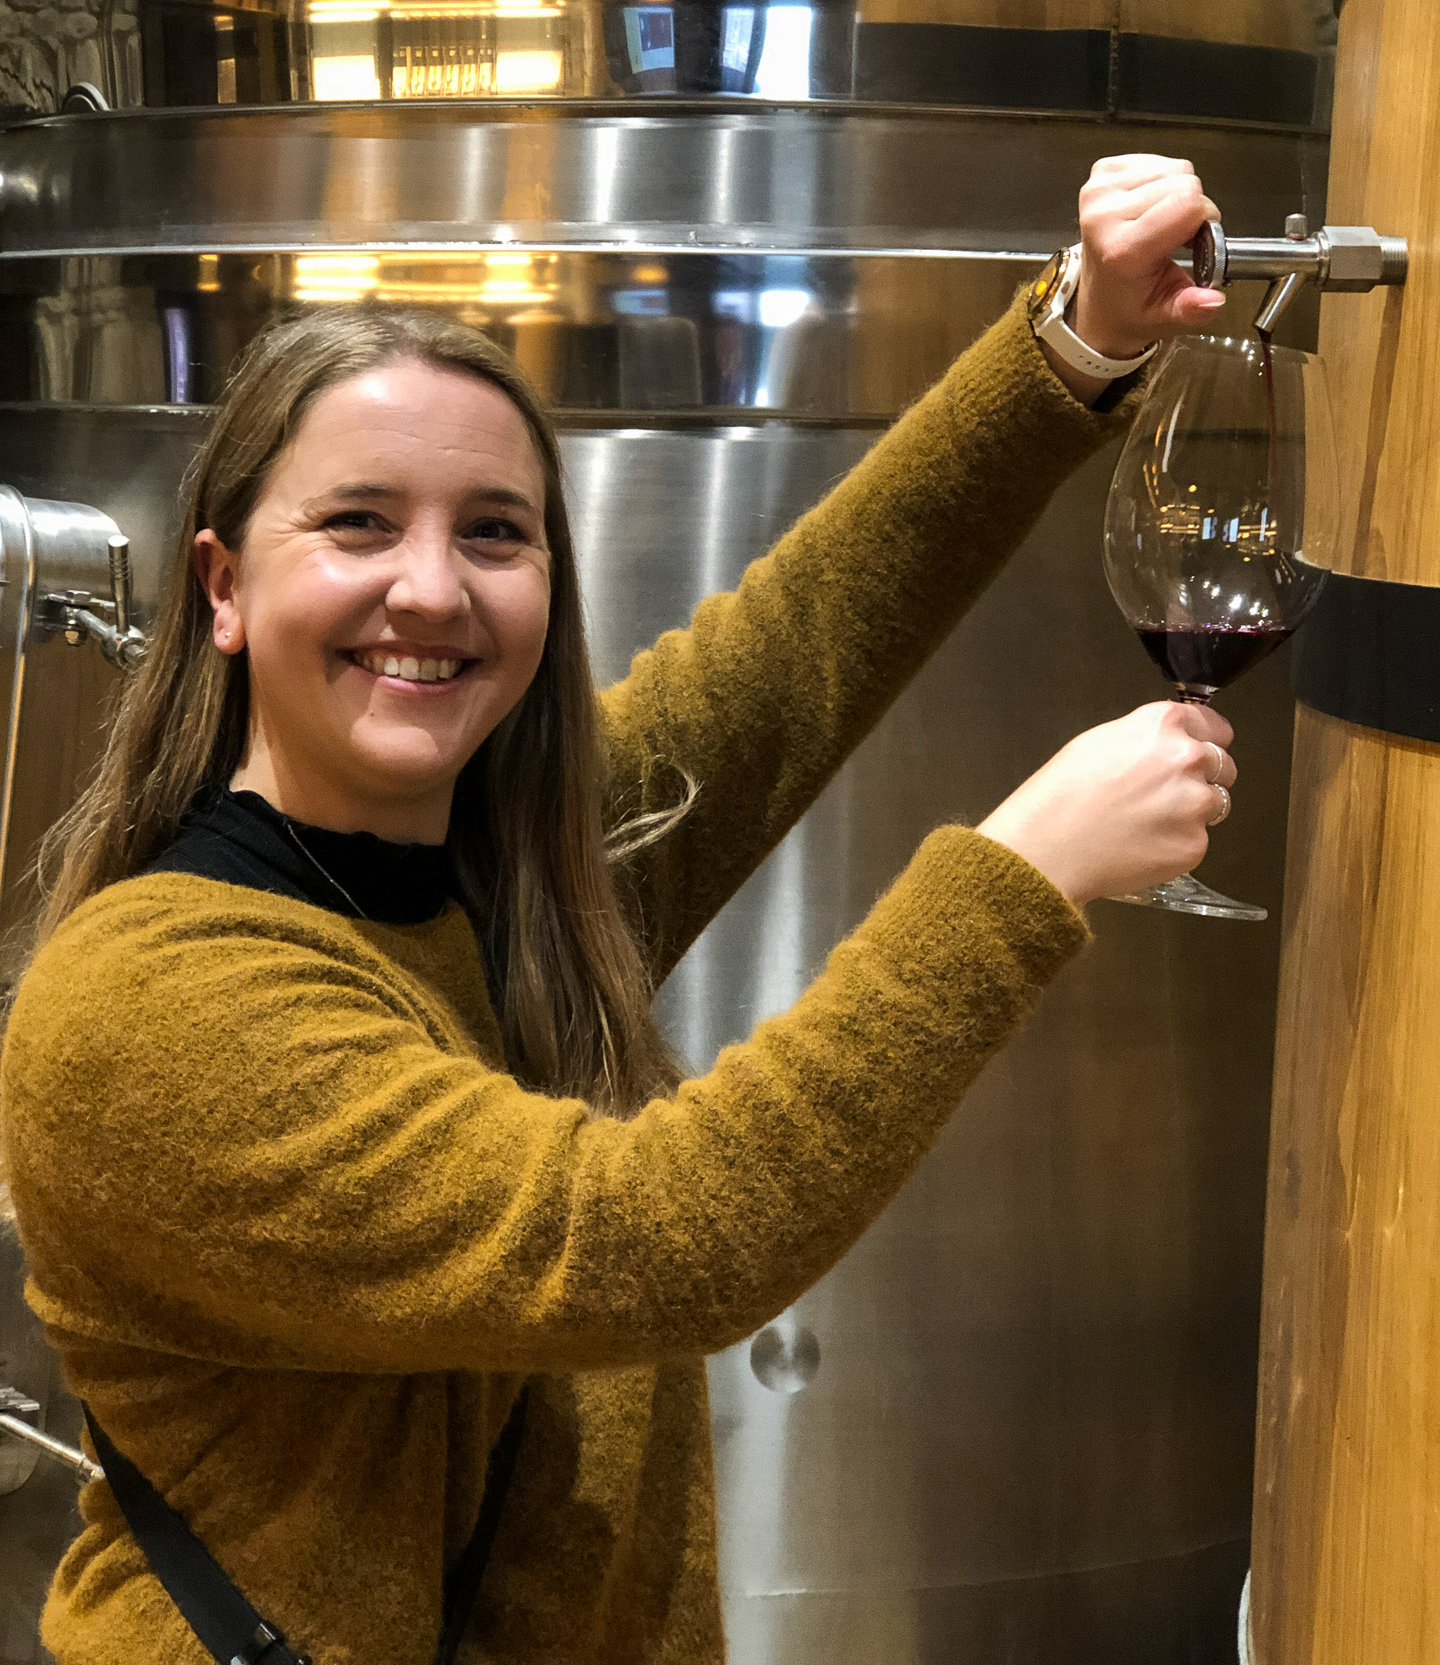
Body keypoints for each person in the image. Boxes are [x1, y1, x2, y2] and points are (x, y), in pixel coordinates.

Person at [0, 155, 1238, 1665]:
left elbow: (804, 643)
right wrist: (1023, 869)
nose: (434, 590)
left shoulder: (502, 866)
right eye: (359, 524)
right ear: (221, 585)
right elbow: (642, 1238)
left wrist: (1080, 334)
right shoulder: (149, 1010)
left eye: (497, 533)